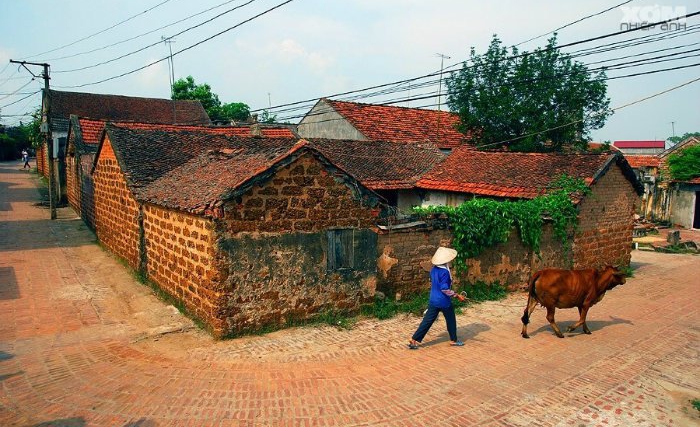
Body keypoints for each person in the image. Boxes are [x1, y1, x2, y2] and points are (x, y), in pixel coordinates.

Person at [408, 246, 466, 349]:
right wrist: (456, 295)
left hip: (433, 300)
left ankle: (414, 340)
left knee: (427, 321)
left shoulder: (433, 270)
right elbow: (444, 289)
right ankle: (453, 340)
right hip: (444, 301)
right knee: (451, 320)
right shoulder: (445, 272)